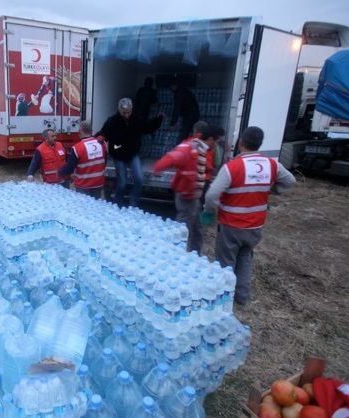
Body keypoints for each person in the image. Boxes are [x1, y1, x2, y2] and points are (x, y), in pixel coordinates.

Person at [201, 126, 296, 305]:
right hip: (255, 226)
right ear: (259, 144)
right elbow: (290, 181)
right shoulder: (272, 164)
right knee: (245, 258)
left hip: (231, 225)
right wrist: (272, 190)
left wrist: (209, 210)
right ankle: (242, 296)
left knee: (226, 263)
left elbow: (212, 195)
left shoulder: (233, 167)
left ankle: (224, 300)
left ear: (241, 143)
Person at [152, 121, 214, 255]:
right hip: (185, 195)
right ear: (206, 137)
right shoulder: (190, 147)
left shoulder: (201, 148)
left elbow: (204, 166)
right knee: (182, 229)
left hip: (193, 196)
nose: (214, 144)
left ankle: (194, 254)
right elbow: (173, 157)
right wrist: (158, 167)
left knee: (196, 227)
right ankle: (175, 255)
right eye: (213, 140)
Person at [98, 97, 164, 207]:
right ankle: (117, 204)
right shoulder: (112, 121)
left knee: (139, 179)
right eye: (124, 113)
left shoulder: (136, 119)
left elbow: (147, 126)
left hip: (132, 153)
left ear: (132, 110)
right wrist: (99, 137)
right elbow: (104, 132)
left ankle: (133, 202)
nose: (126, 115)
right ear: (119, 110)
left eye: (128, 112)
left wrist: (159, 119)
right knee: (122, 183)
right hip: (118, 153)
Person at [58, 120, 106, 198]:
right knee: (96, 207)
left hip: (84, 185)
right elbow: (104, 162)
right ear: (91, 131)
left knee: (84, 207)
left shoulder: (77, 148)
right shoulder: (101, 144)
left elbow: (69, 168)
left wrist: (59, 171)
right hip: (98, 183)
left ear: (79, 132)